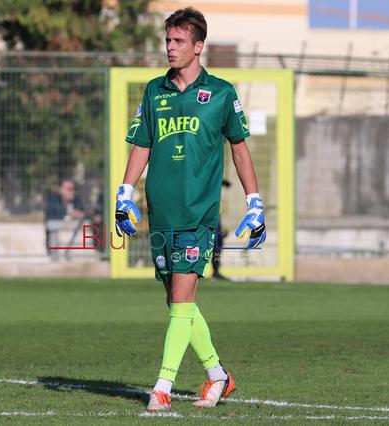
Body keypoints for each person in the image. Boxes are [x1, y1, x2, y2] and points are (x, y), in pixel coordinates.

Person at [114, 7, 266, 412]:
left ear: (198, 46)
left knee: (181, 300)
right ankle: (218, 375)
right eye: (167, 40)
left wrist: (255, 202)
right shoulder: (154, 91)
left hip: (199, 215)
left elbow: (240, 150)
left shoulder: (221, 93)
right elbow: (142, 144)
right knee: (177, 303)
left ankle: (161, 388)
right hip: (161, 213)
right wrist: (124, 193)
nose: (170, 47)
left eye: (178, 41)